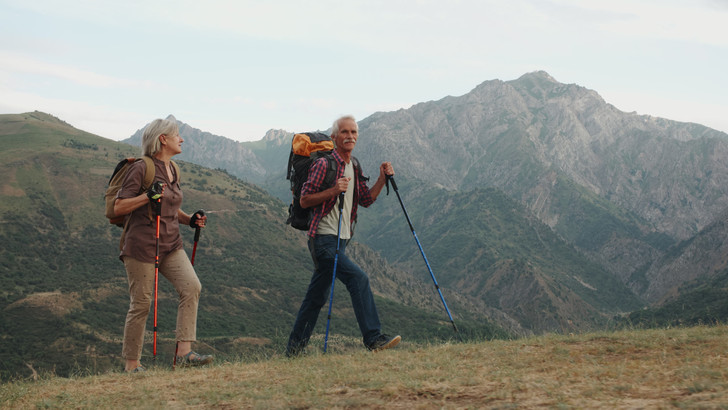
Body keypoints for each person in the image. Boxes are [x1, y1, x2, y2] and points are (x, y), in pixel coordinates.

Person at [286, 115, 401, 356]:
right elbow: (305, 200)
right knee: (359, 279)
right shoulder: (324, 165)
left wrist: (382, 177)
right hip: (323, 240)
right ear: (334, 137)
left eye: (353, 132)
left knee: (315, 298)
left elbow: (366, 199)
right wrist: (333, 190)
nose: (350, 136)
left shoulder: (354, 165)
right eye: (345, 132)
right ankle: (373, 338)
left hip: (342, 240)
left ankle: (293, 352)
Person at [114, 118, 212, 372]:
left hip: (170, 243)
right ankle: (132, 365)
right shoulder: (141, 169)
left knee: (191, 286)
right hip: (142, 246)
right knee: (142, 303)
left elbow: (170, 207)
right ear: (162, 139)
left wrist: (189, 219)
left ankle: (185, 353)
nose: (181, 139)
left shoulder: (174, 169)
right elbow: (119, 206)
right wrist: (147, 196)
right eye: (177, 135)